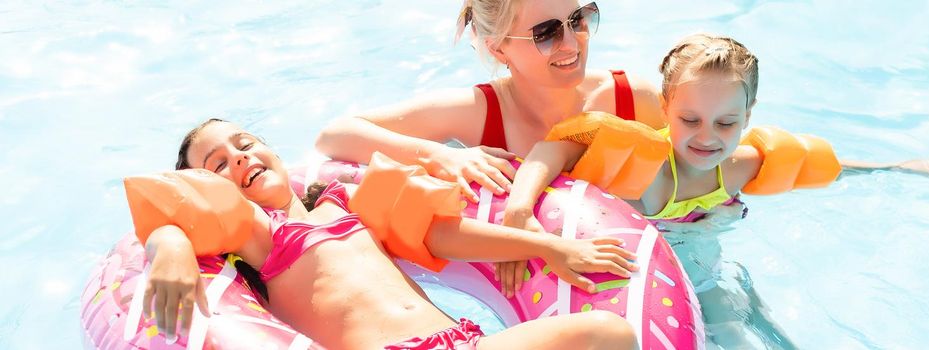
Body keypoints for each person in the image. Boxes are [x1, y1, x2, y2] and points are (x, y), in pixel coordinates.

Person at [498, 33, 929, 349]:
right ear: (665, 108)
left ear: (749, 115)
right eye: (689, 120)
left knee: (759, 331)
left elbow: (824, 166)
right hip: (637, 285)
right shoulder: (650, 169)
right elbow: (554, 149)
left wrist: (902, 166)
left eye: (726, 123)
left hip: (706, 277)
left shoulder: (738, 167)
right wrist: (519, 210)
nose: (708, 137)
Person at [142, 118, 641, 349]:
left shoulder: (343, 202)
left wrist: (550, 245)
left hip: (461, 342)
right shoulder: (257, 234)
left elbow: (444, 236)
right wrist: (170, 248)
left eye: (245, 144)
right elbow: (173, 214)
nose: (241, 159)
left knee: (609, 334)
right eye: (219, 164)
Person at [315, 0, 667, 203]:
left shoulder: (631, 100)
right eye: (545, 33)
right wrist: (443, 155)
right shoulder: (482, 113)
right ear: (498, 48)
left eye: (578, 20)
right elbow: (335, 135)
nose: (572, 44)